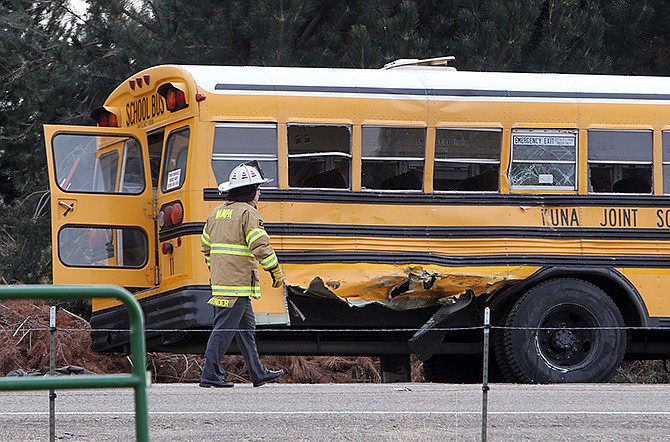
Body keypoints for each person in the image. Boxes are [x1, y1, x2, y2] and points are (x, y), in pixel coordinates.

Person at [199, 161, 286, 388]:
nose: (260, 195)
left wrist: (217, 270)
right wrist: (275, 270)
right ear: (250, 191)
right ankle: (210, 373)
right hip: (236, 283)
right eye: (258, 190)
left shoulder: (216, 213)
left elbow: (206, 247)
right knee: (225, 329)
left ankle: (257, 372)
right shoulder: (248, 213)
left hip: (223, 282)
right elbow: (260, 246)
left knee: (246, 329)